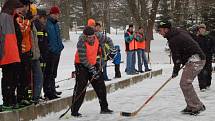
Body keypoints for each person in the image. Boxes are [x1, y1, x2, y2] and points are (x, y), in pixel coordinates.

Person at [158, 20, 206, 115]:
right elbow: (193, 38)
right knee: (185, 83)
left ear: (166, 29)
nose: (159, 33)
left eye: (160, 30)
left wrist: (175, 71)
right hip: (195, 57)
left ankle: (196, 106)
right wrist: (190, 53)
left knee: (185, 83)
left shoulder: (173, 39)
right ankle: (192, 105)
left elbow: (176, 58)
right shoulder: (179, 31)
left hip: (196, 60)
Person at [71, 26, 114, 117]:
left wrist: (112, 50)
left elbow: (109, 40)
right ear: (85, 36)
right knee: (81, 87)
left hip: (93, 63)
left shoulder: (98, 36)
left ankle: (104, 108)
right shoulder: (81, 42)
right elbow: (83, 60)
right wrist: (91, 69)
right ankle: (74, 111)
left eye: (92, 37)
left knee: (100, 85)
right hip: (81, 65)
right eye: (89, 37)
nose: (91, 39)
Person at [0, 0, 24, 110]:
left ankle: (11, 99)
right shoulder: (4, 17)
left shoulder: (12, 17)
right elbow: (2, 37)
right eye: (18, 8)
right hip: (6, 54)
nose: (20, 11)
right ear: (13, 7)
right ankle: (7, 101)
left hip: (13, 53)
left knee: (13, 78)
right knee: (8, 78)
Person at [43, 6, 64, 100]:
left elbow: (58, 36)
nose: (57, 16)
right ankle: (48, 92)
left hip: (57, 50)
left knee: (53, 72)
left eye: (58, 14)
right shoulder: (48, 23)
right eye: (55, 14)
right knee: (49, 72)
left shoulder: (55, 24)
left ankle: (52, 89)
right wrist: (50, 48)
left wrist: (60, 46)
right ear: (51, 14)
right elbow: (48, 38)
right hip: (51, 52)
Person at [194, 24, 215, 91]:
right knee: (200, 72)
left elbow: (214, 46)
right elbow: (193, 47)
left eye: (203, 29)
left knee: (208, 71)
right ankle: (202, 86)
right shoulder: (196, 38)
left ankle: (208, 84)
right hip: (199, 58)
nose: (202, 30)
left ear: (205, 29)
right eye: (200, 29)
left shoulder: (210, 38)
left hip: (208, 57)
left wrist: (212, 51)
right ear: (199, 30)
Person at [30, 5, 43, 103]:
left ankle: (36, 97)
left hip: (36, 55)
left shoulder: (33, 24)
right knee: (32, 78)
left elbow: (36, 41)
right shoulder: (28, 24)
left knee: (39, 77)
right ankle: (33, 97)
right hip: (30, 55)